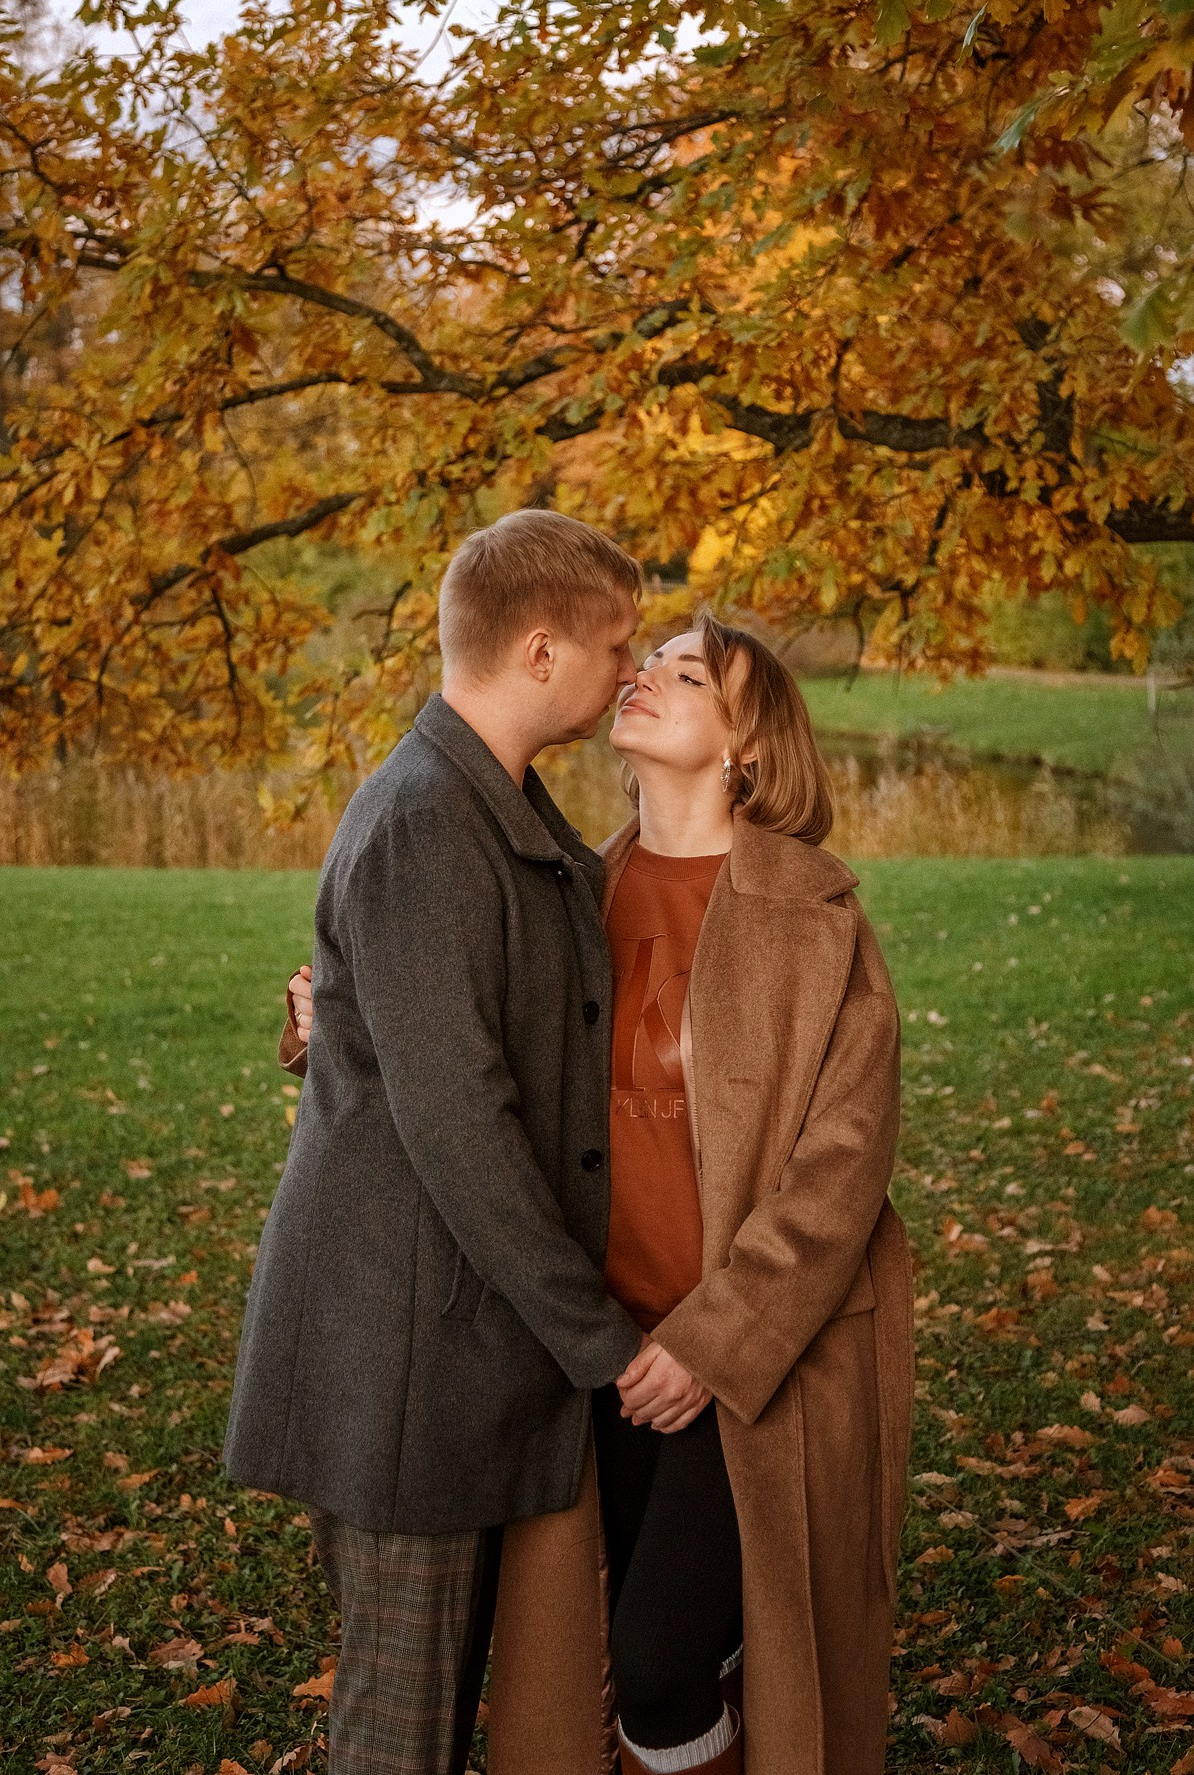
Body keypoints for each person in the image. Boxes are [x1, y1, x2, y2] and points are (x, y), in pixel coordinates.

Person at [287, 609, 913, 1775]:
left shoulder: (814, 915)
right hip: (597, 1351)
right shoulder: (566, 885)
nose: (643, 677)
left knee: (665, 1657)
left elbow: (844, 1164)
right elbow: (470, 1064)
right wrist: (347, 1016)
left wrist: (715, 1343)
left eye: (687, 673)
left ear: (749, 748)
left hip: (747, 1362)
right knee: (604, 1674)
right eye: (647, 660)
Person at [223, 510, 711, 1775]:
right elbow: (462, 1135)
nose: (629, 672)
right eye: (614, 647)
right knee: (402, 1732)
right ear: (539, 651)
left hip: (462, 1350)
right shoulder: (426, 823)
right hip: (398, 1360)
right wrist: (604, 1348)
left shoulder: (500, 808)